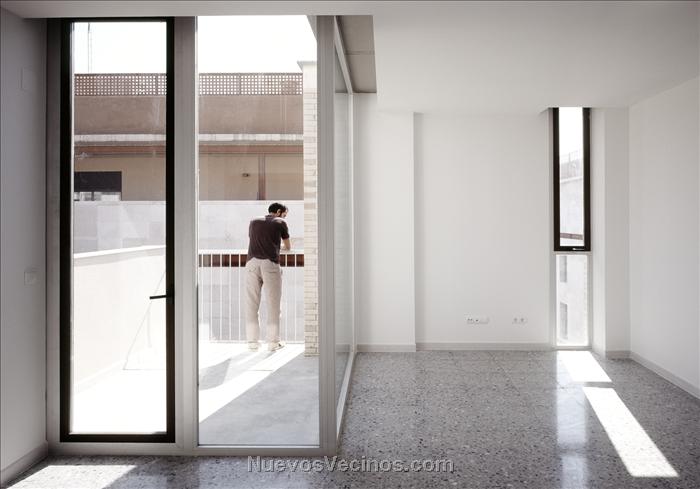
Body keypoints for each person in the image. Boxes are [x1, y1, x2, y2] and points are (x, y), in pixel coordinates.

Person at [245, 202, 291, 352]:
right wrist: (277, 247)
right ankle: (273, 342)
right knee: (273, 305)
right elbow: (287, 246)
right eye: (284, 214)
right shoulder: (280, 222)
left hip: (251, 263)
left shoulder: (253, 221)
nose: (284, 217)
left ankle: (252, 342)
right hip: (269, 264)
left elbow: (255, 240)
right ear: (278, 211)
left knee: (252, 304)